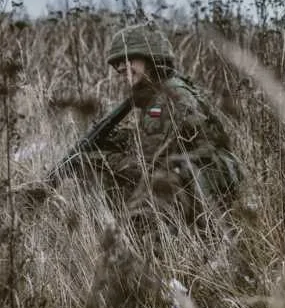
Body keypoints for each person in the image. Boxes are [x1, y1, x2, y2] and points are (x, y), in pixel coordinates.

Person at [85, 23, 243, 233]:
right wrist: (121, 139)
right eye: (117, 64)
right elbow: (163, 142)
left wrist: (96, 158)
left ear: (151, 59)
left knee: (103, 173)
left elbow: (145, 165)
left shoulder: (167, 98)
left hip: (200, 197)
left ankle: (146, 242)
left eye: (128, 59)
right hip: (203, 188)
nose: (122, 68)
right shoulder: (165, 90)